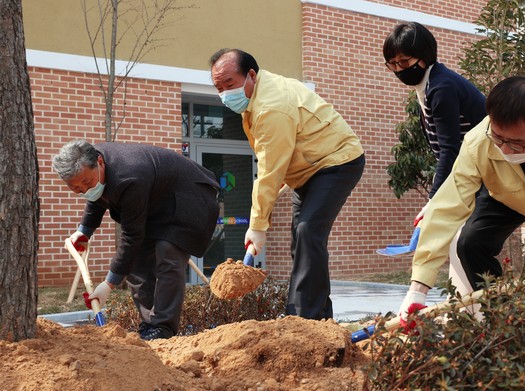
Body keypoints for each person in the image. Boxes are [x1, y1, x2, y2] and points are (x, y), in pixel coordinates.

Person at [398, 76, 525, 321]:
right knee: (470, 244)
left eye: (516, 143)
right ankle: (503, 319)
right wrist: (418, 288)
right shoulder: (478, 141)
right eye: (498, 138)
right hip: (507, 197)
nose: (504, 150)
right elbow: (447, 208)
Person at [209, 48, 365, 320]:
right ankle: (306, 314)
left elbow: (268, 169)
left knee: (308, 232)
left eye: (229, 84)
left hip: (336, 162)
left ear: (251, 75)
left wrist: (257, 227)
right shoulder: (256, 98)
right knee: (301, 241)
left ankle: (307, 317)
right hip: (308, 170)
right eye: (218, 87)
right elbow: (278, 158)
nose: (224, 94)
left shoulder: (271, 106)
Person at [52, 140, 219, 340]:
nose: (85, 190)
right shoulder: (91, 165)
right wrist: (84, 231)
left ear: (100, 162)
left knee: (168, 254)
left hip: (189, 197)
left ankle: (162, 327)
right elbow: (95, 198)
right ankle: (149, 325)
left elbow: (132, 236)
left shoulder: (128, 175)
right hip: (155, 203)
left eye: (87, 183)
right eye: (76, 189)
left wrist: (108, 284)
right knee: (136, 262)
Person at [383, 22, 486, 294]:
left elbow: (450, 149)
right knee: (457, 243)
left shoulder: (441, 87)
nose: (399, 70)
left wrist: (433, 200)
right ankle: (464, 309)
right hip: (470, 171)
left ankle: (472, 310)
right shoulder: (428, 85)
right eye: (392, 64)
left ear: (424, 56)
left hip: (487, 171)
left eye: (404, 62)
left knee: (462, 243)